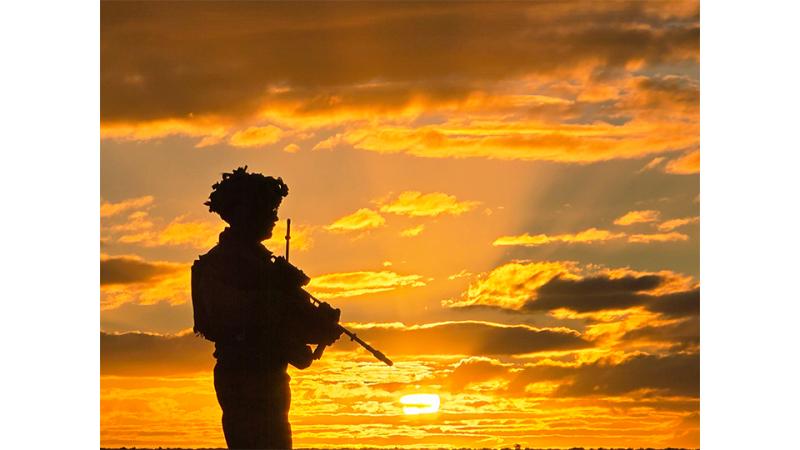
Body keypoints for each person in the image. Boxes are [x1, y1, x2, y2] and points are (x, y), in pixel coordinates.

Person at [191, 166, 342, 449]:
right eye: (266, 208)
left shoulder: (264, 265)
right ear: (243, 212)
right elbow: (233, 317)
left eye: (274, 209)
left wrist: (320, 326)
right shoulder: (221, 262)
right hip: (244, 374)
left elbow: (285, 320)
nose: (273, 217)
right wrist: (284, 304)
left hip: (271, 374)